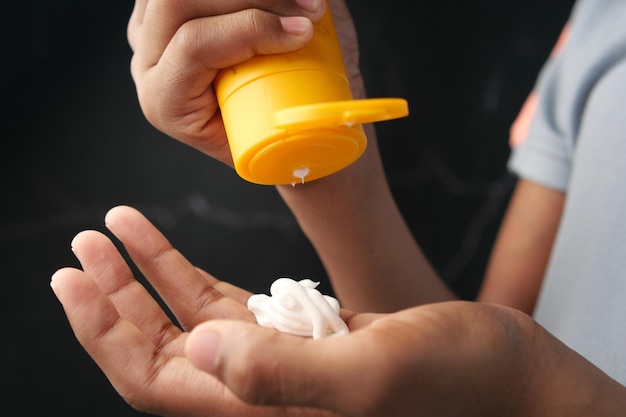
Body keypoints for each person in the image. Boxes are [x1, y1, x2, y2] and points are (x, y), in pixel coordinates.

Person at [50, 0, 626, 416]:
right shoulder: (600, 27)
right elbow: (476, 343)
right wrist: (327, 167)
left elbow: (517, 368)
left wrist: (538, 394)